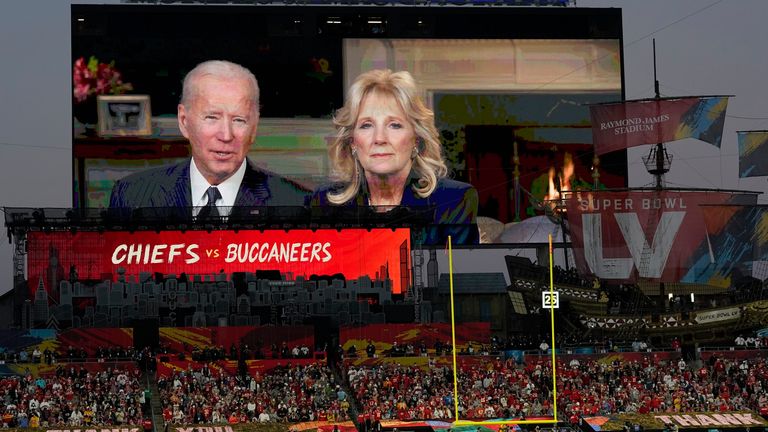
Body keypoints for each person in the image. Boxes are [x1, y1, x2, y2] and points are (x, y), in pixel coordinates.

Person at [109, 60, 308, 219]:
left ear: (254, 128)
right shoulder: (132, 195)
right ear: (184, 121)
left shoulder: (297, 203)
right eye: (212, 118)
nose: (226, 135)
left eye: (239, 120)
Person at [309, 69, 479, 244]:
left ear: (416, 139)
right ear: (352, 141)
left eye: (395, 125)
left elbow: (456, 270)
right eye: (367, 125)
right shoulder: (325, 202)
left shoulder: (453, 200)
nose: (379, 138)